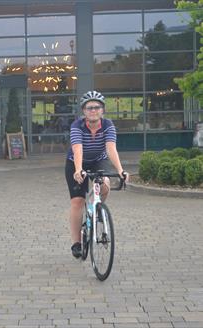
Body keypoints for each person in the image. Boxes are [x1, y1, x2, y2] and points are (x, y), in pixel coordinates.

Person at [65, 90, 128, 258]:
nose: (93, 110)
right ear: (83, 111)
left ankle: (96, 208)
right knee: (77, 201)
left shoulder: (108, 125)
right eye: (89, 107)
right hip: (76, 163)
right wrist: (78, 170)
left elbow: (111, 148)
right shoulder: (77, 126)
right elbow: (77, 149)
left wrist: (120, 170)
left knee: (105, 183)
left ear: (103, 110)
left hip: (98, 160)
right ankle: (76, 243)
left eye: (97, 107)